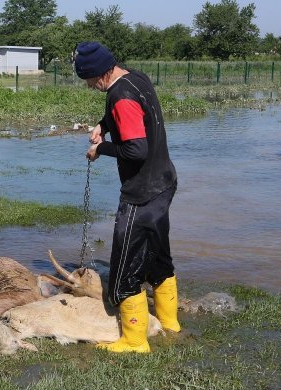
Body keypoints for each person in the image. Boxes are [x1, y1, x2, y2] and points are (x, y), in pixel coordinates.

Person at [73, 41, 181, 353]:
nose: (91, 87)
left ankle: (135, 341)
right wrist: (103, 125)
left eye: (90, 81)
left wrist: (100, 148)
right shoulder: (136, 77)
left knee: (123, 271)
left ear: (99, 75)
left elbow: (136, 149)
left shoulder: (119, 96)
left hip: (141, 194)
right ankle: (169, 323)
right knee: (158, 258)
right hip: (164, 182)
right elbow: (126, 113)